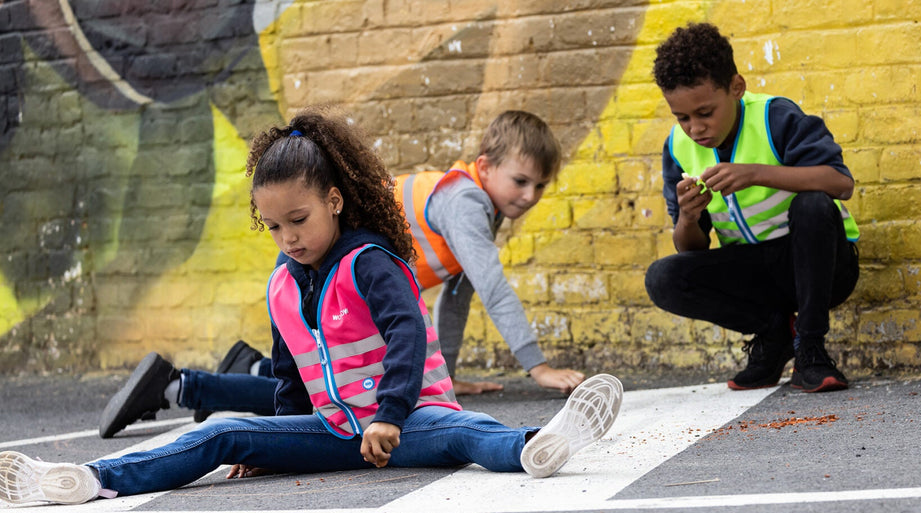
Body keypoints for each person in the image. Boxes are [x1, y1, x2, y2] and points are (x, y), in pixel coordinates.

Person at [1, 107, 623, 506]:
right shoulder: (281, 282)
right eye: (272, 227)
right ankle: (90, 478)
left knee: (463, 433)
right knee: (223, 432)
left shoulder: (370, 261)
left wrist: (388, 414)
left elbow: (409, 335)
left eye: (298, 220)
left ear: (333, 199)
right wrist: (273, 443)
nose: (288, 238)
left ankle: (536, 445)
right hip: (334, 431)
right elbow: (289, 373)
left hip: (405, 422)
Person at [99, 110, 585, 438]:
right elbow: (492, 287)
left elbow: (455, 298)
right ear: (485, 167)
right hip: (320, 267)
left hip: (339, 286)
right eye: (521, 180)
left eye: (541, 186)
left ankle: (239, 370)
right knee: (319, 388)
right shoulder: (463, 203)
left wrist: (445, 374)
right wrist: (537, 367)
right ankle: (181, 385)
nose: (530, 194)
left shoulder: (476, 206)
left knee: (327, 378)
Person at [644, 23, 860, 393]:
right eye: (682, 117)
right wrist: (689, 217)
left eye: (705, 112)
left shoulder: (775, 117)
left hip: (823, 267)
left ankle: (811, 349)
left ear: (736, 88)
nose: (695, 128)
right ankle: (774, 333)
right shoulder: (678, 147)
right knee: (663, 277)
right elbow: (691, 249)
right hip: (755, 272)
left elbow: (841, 183)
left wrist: (757, 174)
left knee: (813, 205)